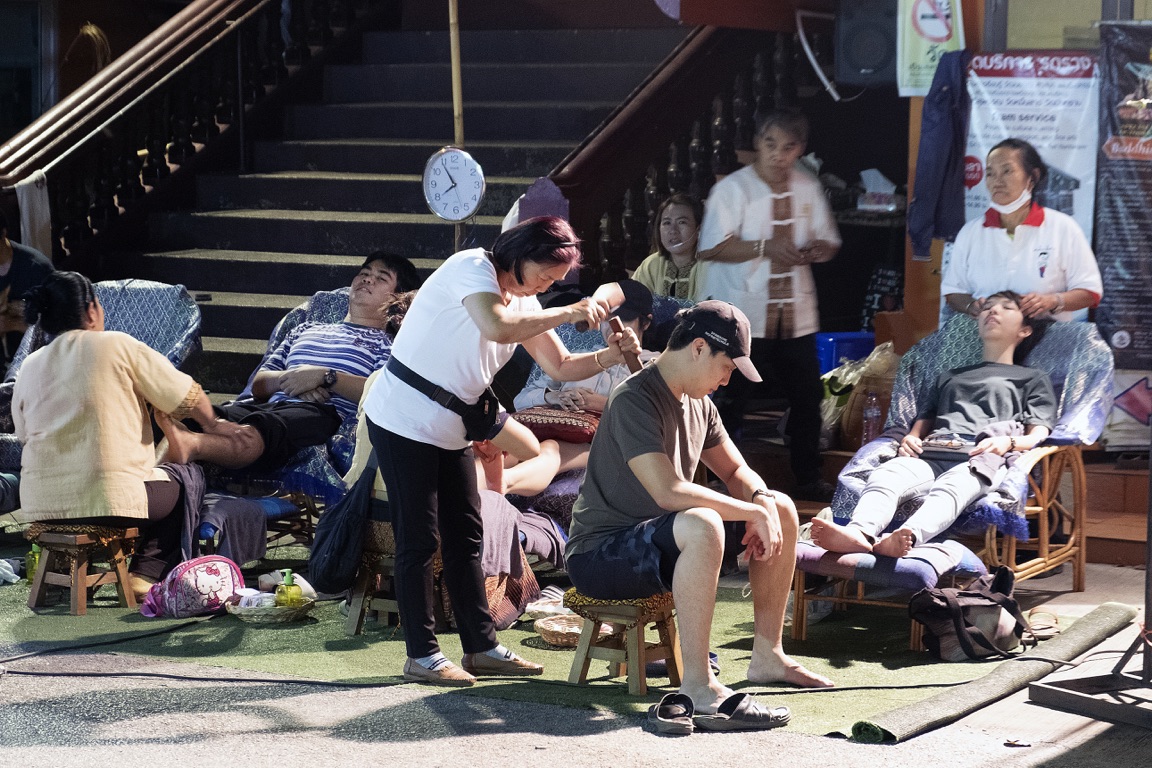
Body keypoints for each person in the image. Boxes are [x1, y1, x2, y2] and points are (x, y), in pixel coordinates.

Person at [361, 216, 641, 687]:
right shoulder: (470, 267)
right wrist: (571, 311)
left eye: (555, 281)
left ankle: (481, 647)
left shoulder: (525, 301)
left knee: (466, 534)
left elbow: (562, 364)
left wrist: (611, 355)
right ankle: (422, 655)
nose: (546, 285)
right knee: (420, 540)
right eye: (545, 274)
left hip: (452, 429)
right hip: (404, 419)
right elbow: (497, 325)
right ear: (521, 252)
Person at [566, 300, 835, 717]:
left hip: (663, 539)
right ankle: (697, 683)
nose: (727, 381)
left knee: (780, 505)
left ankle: (768, 654)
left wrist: (761, 501)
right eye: (726, 367)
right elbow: (668, 492)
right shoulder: (632, 399)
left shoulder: (700, 404)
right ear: (697, 348)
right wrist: (749, 513)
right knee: (703, 522)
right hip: (601, 555)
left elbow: (737, 471)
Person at [12, 272, 253, 597]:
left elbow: (24, 434)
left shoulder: (30, 364)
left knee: (152, 479)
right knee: (185, 477)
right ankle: (145, 572)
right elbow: (186, 396)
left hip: (39, 504)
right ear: (92, 310)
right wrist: (214, 425)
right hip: (108, 498)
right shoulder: (116, 344)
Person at [811, 291, 1056, 559]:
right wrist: (911, 436)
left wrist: (1006, 443)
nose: (992, 311)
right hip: (932, 450)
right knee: (886, 476)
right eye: (987, 307)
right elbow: (925, 417)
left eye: (1006, 307)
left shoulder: (1032, 378)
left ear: (1025, 330)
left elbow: (1039, 432)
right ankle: (859, 533)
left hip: (981, 456)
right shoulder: (951, 376)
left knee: (952, 488)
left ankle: (908, 537)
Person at [695, 108, 842, 502]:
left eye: (788, 146)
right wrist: (765, 246)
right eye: (771, 144)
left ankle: (808, 479)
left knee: (807, 399)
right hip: (742, 313)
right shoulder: (733, 189)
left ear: (800, 149)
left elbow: (829, 242)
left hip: (793, 312)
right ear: (757, 145)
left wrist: (817, 250)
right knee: (729, 399)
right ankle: (718, 481)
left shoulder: (807, 186)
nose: (779, 154)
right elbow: (711, 246)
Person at [160, 252, 420, 473]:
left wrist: (326, 377)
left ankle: (192, 446)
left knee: (260, 431)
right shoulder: (306, 328)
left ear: (397, 298)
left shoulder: (387, 343)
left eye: (381, 277)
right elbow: (260, 385)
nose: (367, 278)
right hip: (272, 403)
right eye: (365, 272)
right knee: (196, 417)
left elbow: (383, 393)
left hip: (322, 416)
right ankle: (155, 473)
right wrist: (296, 379)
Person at [940, 138, 1103, 323]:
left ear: (1031, 177)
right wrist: (972, 306)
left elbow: (1091, 292)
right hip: (986, 340)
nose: (997, 181)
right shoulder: (971, 233)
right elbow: (953, 292)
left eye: (1007, 171)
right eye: (990, 174)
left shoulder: (1063, 227)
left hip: (1047, 340)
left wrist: (1052, 301)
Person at [0, 208, 54, 368]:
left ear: (3, 233)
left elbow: (59, 331)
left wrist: (14, 324)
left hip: (36, 363)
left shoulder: (36, 268)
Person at [632, 193, 705, 301]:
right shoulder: (651, 265)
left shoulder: (710, 268)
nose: (673, 230)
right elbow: (634, 302)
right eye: (667, 223)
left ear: (698, 229)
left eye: (682, 222)